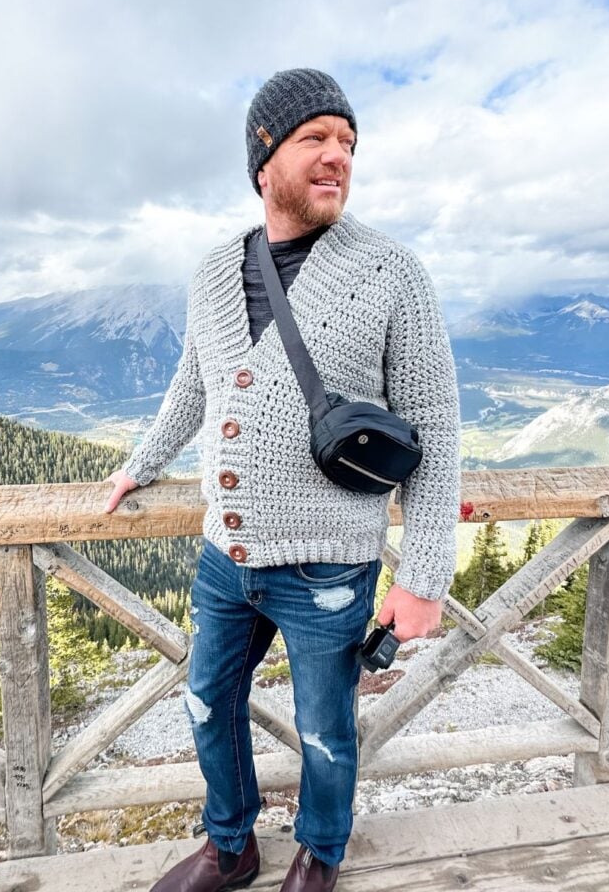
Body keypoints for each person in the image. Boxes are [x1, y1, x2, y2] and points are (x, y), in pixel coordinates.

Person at [105, 68, 461, 892]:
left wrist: (425, 576)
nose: (338, 156)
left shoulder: (392, 272)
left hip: (329, 567)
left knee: (327, 731)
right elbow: (193, 387)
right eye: (317, 139)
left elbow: (436, 430)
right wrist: (139, 464)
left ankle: (321, 854)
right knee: (206, 704)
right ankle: (229, 845)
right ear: (265, 158)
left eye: (349, 143)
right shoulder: (211, 272)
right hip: (223, 555)